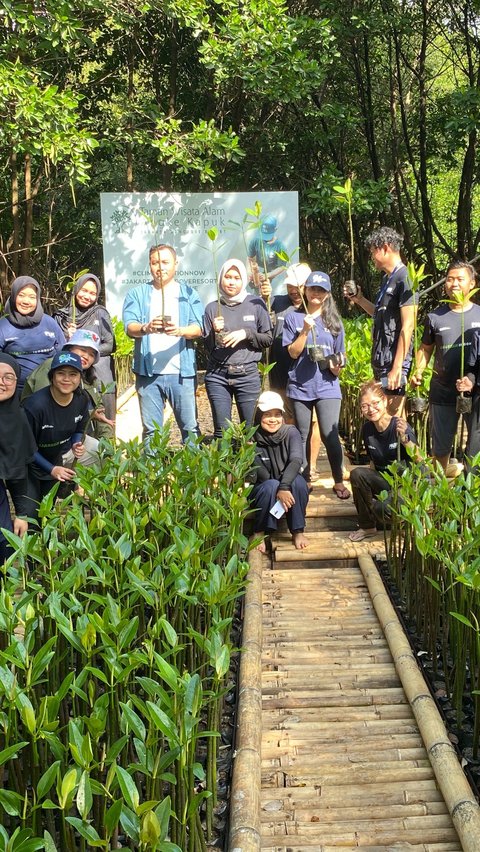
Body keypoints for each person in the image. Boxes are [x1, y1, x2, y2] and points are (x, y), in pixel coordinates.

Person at [122, 244, 204, 445]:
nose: (160, 267)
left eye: (165, 262)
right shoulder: (137, 294)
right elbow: (129, 326)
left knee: (190, 429)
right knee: (151, 432)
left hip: (181, 374)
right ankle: (153, 475)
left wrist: (180, 331)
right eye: (155, 262)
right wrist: (146, 327)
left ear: (176, 264)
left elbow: (199, 328)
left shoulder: (188, 293)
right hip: (148, 375)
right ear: (149, 265)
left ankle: (193, 475)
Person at [282, 270, 350, 498]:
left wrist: (337, 365)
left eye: (321, 290)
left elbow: (341, 355)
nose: (316, 293)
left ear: (328, 294)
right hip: (300, 386)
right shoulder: (293, 318)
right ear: (305, 290)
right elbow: (292, 352)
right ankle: (303, 480)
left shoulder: (334, 322)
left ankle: (338, 480)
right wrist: (305, 330)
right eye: (312, 289)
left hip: (328, 386)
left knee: (330, 434)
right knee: (301, 434)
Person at [413, 261, 480, 472]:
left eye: (460, 279)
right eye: (450, 279)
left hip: (476, 393)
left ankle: (471, 494)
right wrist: (418, 371)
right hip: (442, 391)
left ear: (472, 283)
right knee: (441, 447)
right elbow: (425, 348)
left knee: (476, 447)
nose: (454, 284)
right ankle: (440, 492)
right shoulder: (435, 317)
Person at [343, 227, 416, 414]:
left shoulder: (405, 277)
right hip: (381, 360)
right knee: (384, 422)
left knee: (394, 422)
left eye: (372, 252)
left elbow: (408, 326)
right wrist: (359, 299)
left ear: (385, 248)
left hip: (394, 362)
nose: (371, 258)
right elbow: (379, 314)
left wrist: (397, 367)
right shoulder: (387, 279)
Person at [22, 352, 99, 524]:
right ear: (51, 376)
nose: (67, 379)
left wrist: (76, 443)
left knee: (47, 513)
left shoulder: (81, 399)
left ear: (80, 377)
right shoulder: (34, 405)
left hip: (54, 458)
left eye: (73, 374)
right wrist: (51, 469)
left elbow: (80, 426)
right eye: (61, 373)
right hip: (28, 464)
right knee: (31, 516)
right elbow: (25, 446)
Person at [203, 258, 273, 438]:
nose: (231, 282)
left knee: (251, 431)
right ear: (220, 279)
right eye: (227, 277)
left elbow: (268, 339)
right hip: (218, 375)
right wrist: (213, 331)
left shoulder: (256, 304)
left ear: (243, 280)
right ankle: (225, 465)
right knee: (221, 431)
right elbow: (208, 347)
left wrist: (247, 334)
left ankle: (250, 466)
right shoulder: (212, 308)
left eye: (236, 277)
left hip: (247, 375)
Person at [349, 381, 418, 541]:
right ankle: (367, 526)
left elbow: (420, 459)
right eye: (365, 406)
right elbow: (373, 464)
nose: (371, 409)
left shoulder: (399, 425)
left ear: (385, 401)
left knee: (383, 508)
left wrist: (405, 440)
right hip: (384, 480)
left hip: (404, 484)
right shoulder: (367, 429)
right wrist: (366, 490)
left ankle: (400, 519)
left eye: (375, 403)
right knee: (357, 474)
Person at [22, 329, 114, 440]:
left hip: (76, 435)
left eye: (92, 354)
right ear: (69, 349)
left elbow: (99, 410)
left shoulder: (88, 376)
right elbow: (46, 413)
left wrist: (106, 442)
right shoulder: (51, 367)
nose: (86, 356)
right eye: (82, 350)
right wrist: (88, 415)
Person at [249, 391, 309, 552]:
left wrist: (284, 487)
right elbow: (260, 473)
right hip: (264, 487)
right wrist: (278, 488)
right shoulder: (251, 438)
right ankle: (259, 532)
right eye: (267, 415)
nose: (273, 419)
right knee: (270, 485)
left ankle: (297, 531)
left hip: (287, 484)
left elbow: (296, 460)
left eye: (277, 414)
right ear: (259, 417)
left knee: (299, 483)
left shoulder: (291, 432)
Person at [54, 272, 116, 422]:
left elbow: (110, 345)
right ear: (76, 289)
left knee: (105, 421)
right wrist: (68, 338)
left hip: (99, 373)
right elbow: (56, 348)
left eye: (93, 293)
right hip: (71, 374)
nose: (87, 296)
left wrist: (88, 352)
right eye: (84, 290)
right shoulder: (61, 316)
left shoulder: (99, 313)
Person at [0, 354, 37, 562]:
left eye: (8, 377)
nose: (1, 383)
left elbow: (16, 471)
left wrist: (21, 515)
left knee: (4, 540)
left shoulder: (18, 418)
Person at [0, 276, 65, 392]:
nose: (26, 301)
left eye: (32, 297)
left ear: (38, 299)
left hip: (48, 390)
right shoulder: (3, 325)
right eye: (21, 295)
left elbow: (63, 354)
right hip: (13, 392)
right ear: (14, 296)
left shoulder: (49, 322)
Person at [247, 215, 288, 291]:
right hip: (257, 273)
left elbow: (282, 267)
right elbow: (250, 259)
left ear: (275, 229)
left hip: (273, 274)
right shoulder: (255, 241)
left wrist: (268, 275)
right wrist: (250, 273)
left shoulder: (280, 246)